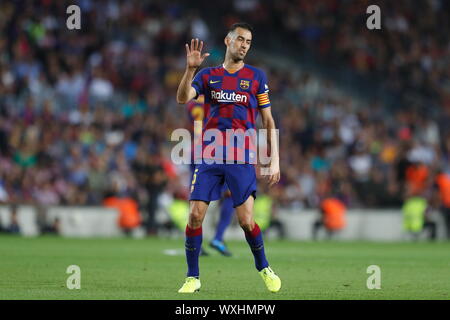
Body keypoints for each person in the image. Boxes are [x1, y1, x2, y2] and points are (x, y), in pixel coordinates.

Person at [176, 22, 281, 293]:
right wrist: (190, 70)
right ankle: (192, 277)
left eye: (249, 41)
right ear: (227, 41)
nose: (245, 44)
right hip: (209, 155)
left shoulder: (256, 77)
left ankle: (264, 267)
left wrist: (274, 159)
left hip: (241, 156)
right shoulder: (208, 76)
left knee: (246, 221)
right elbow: (183, 98)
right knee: (195, 216)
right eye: (240, 39)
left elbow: (267, 120)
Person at [187, 97, 234, 256]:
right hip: (215, 150)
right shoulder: (217, 100)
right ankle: (218, 237)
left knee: (197, 199)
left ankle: (196, 243)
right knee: (231, 194)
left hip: (196, 150)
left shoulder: (192, 105)